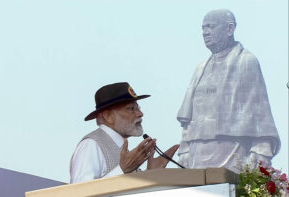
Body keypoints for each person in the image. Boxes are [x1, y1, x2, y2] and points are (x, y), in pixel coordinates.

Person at [177, 9, 280, 173]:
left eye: (210, 27)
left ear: (229, 29)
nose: (205, 33)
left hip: (233, 153)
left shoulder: (246, 61)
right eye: (203, 28)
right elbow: (188, 121)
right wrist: (185, 150)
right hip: (196, 157)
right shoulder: (200, 68)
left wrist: (260, 154)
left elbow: (261, 117)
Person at [70, 82, 179, 183]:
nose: (140, 113)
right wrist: (122, 170)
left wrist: (150, 173)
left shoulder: (122, 148)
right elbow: (77, 194)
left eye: (138, 108)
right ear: (108, 116)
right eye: (131, 109)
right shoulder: (91, 145)